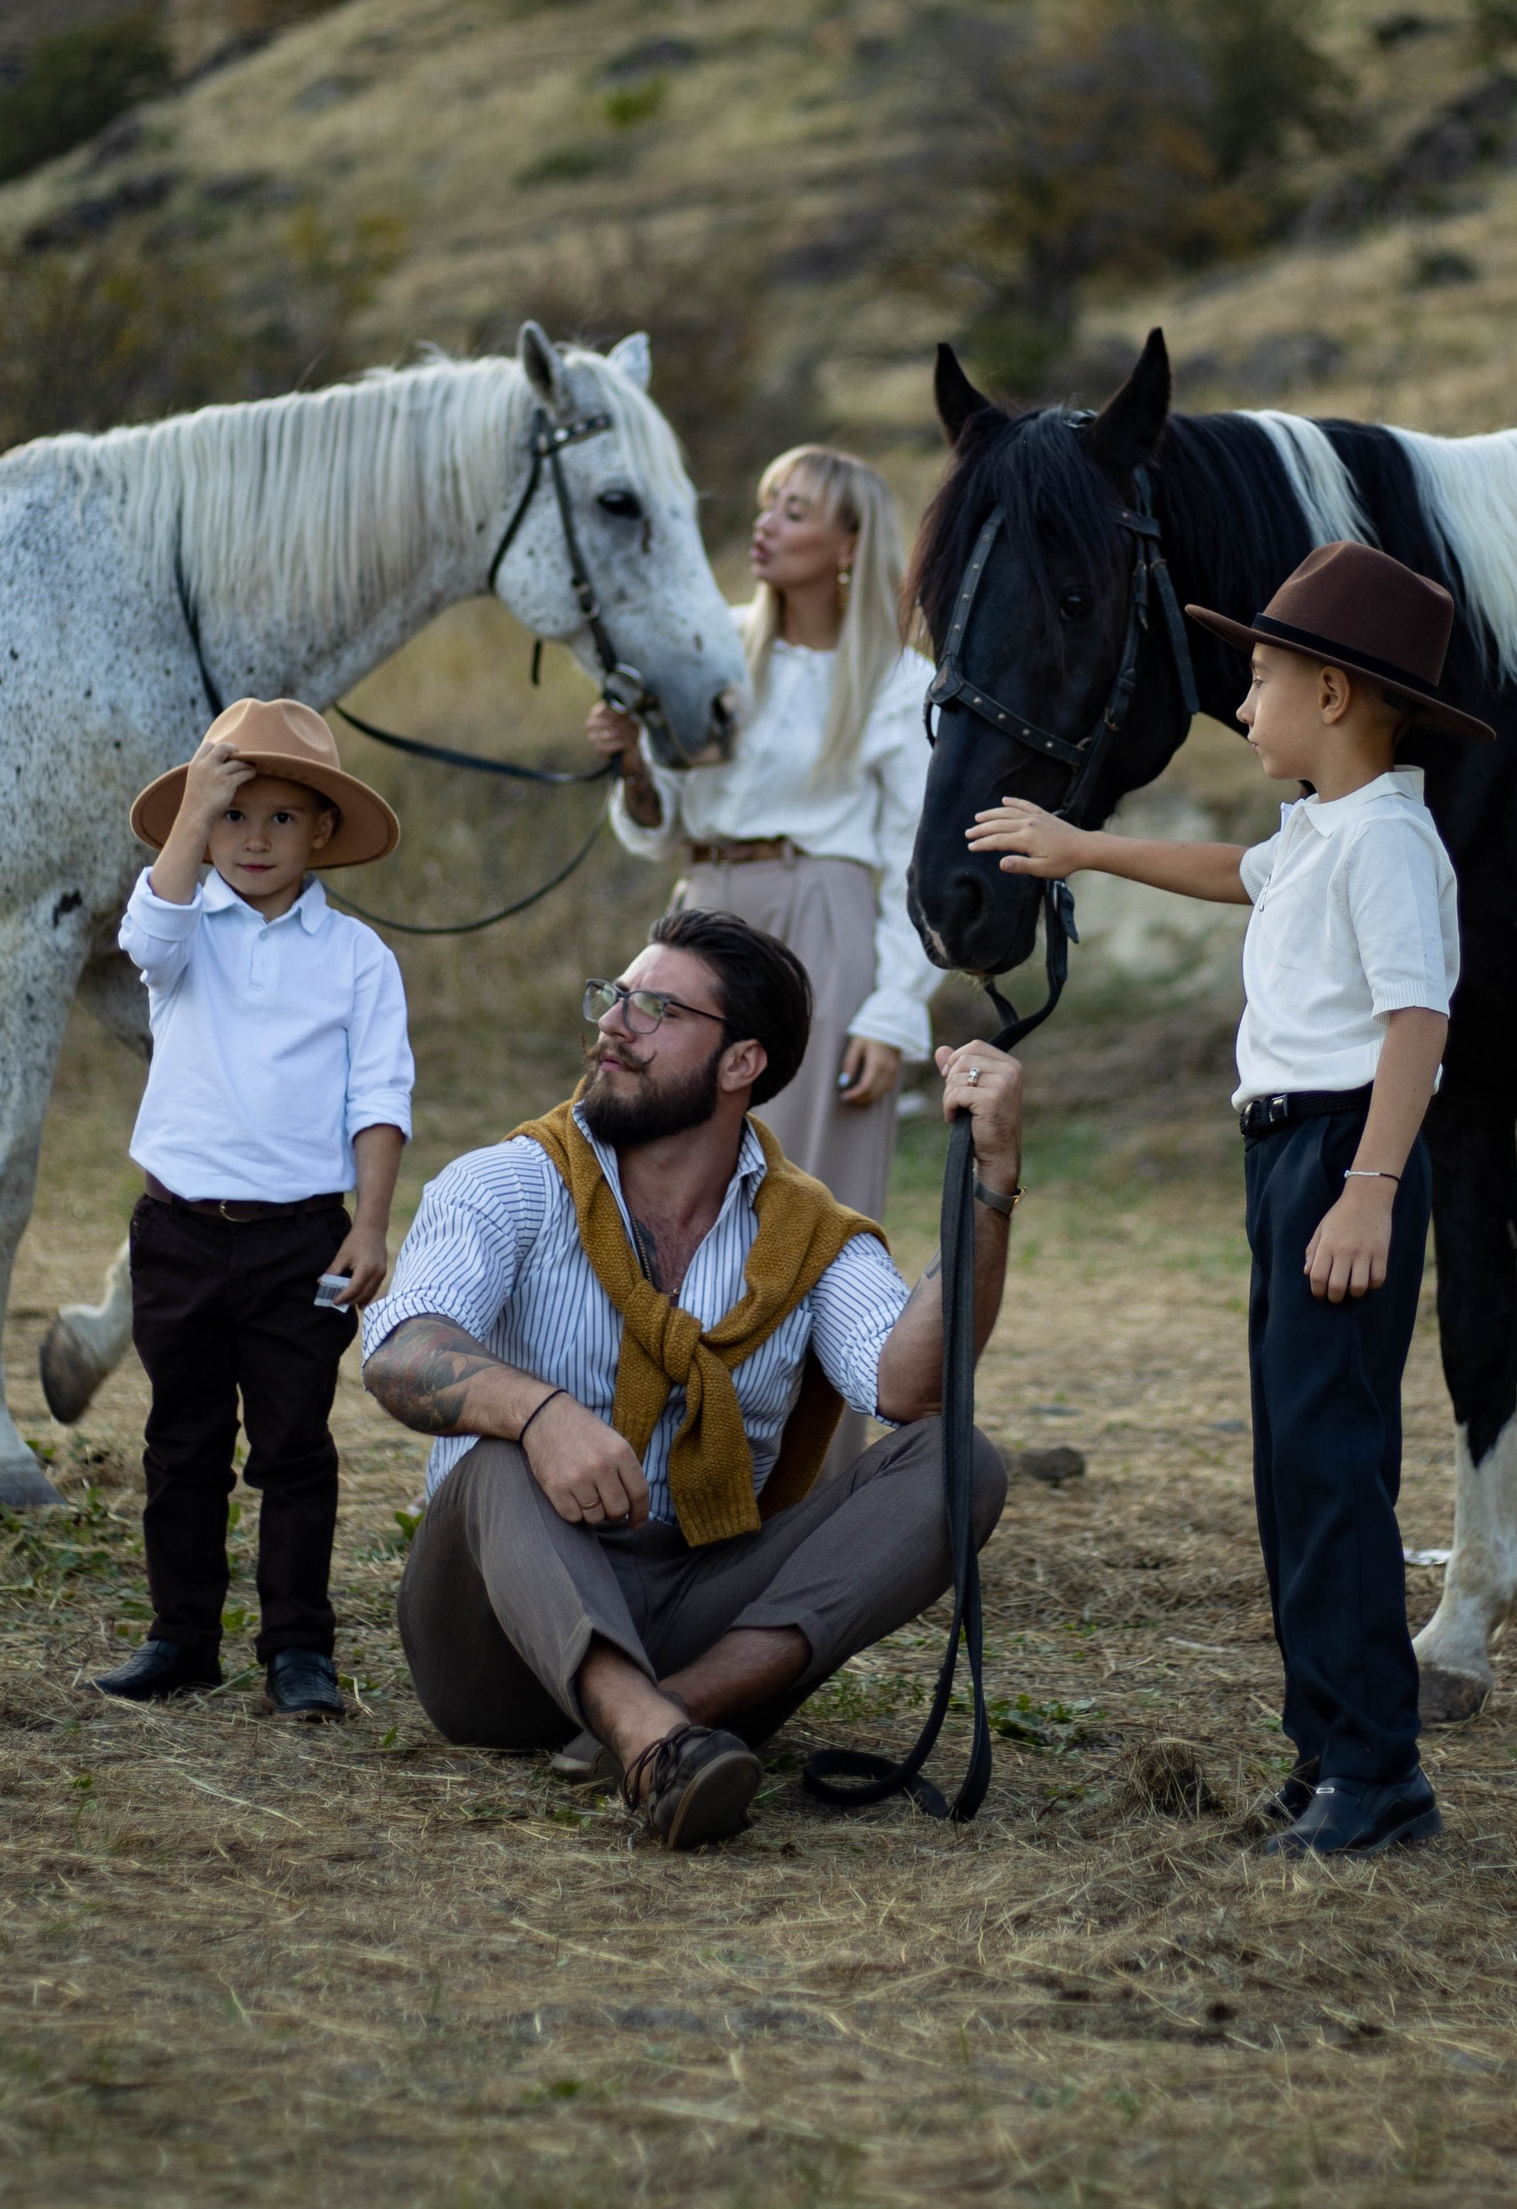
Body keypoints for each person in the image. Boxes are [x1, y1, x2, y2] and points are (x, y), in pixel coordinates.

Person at [967, 541, 1489, 1861]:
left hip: (1341, 1154)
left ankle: (1381, 1774)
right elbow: (1229, 872)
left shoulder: (1388, 841)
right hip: (1288, 1156)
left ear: (1333, 693)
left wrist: (1368, 1189)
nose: (1241, 704)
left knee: (1333, 1468)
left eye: (1257, 680)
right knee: (1294, 1463)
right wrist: (1076, 846)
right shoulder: (1322, 828)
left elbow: (1418, 1022)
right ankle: (1327, 1751)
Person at [360, 905, 1020, 1851]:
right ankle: (653, 1739)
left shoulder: (805, 1234)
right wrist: (542, 1414)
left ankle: (661, 1716)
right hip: (496, 1635)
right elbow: (398, 1350)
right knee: (502, 1455)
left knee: (961, 1458)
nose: (614, 1024)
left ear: (741, 1062)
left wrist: (989, 1183)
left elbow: (911, 1391)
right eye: (616, 997)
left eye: (656, 1009)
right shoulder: (510, 1181)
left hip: (695, 1610)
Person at [93, 698, 414, 1723]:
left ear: (322, 831)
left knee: (293, 1447)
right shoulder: (183, 933)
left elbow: (378, 1098)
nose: (255, 839)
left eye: (281, 817)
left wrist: (368, 1225)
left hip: (300, 1239)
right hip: (181, 1230)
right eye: (235, 816)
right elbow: (145, 932)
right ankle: (181, 1636)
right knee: (182, 1442)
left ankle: (297, 1648)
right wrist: (193, 806)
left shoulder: (357, 957)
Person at [589, 445, 937, 1238]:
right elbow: (663, 820)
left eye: (795, 510)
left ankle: (811, 1354)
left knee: (813, 1169)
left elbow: (912, 859)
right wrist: (633, 765)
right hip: (701, 913)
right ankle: (657, 1338)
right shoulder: (711, 649)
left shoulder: (896, 682)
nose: (765, 523)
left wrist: (891, 1011)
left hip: (825, 914)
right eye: (766, 501)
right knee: (661, 1137)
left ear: (848, 545)